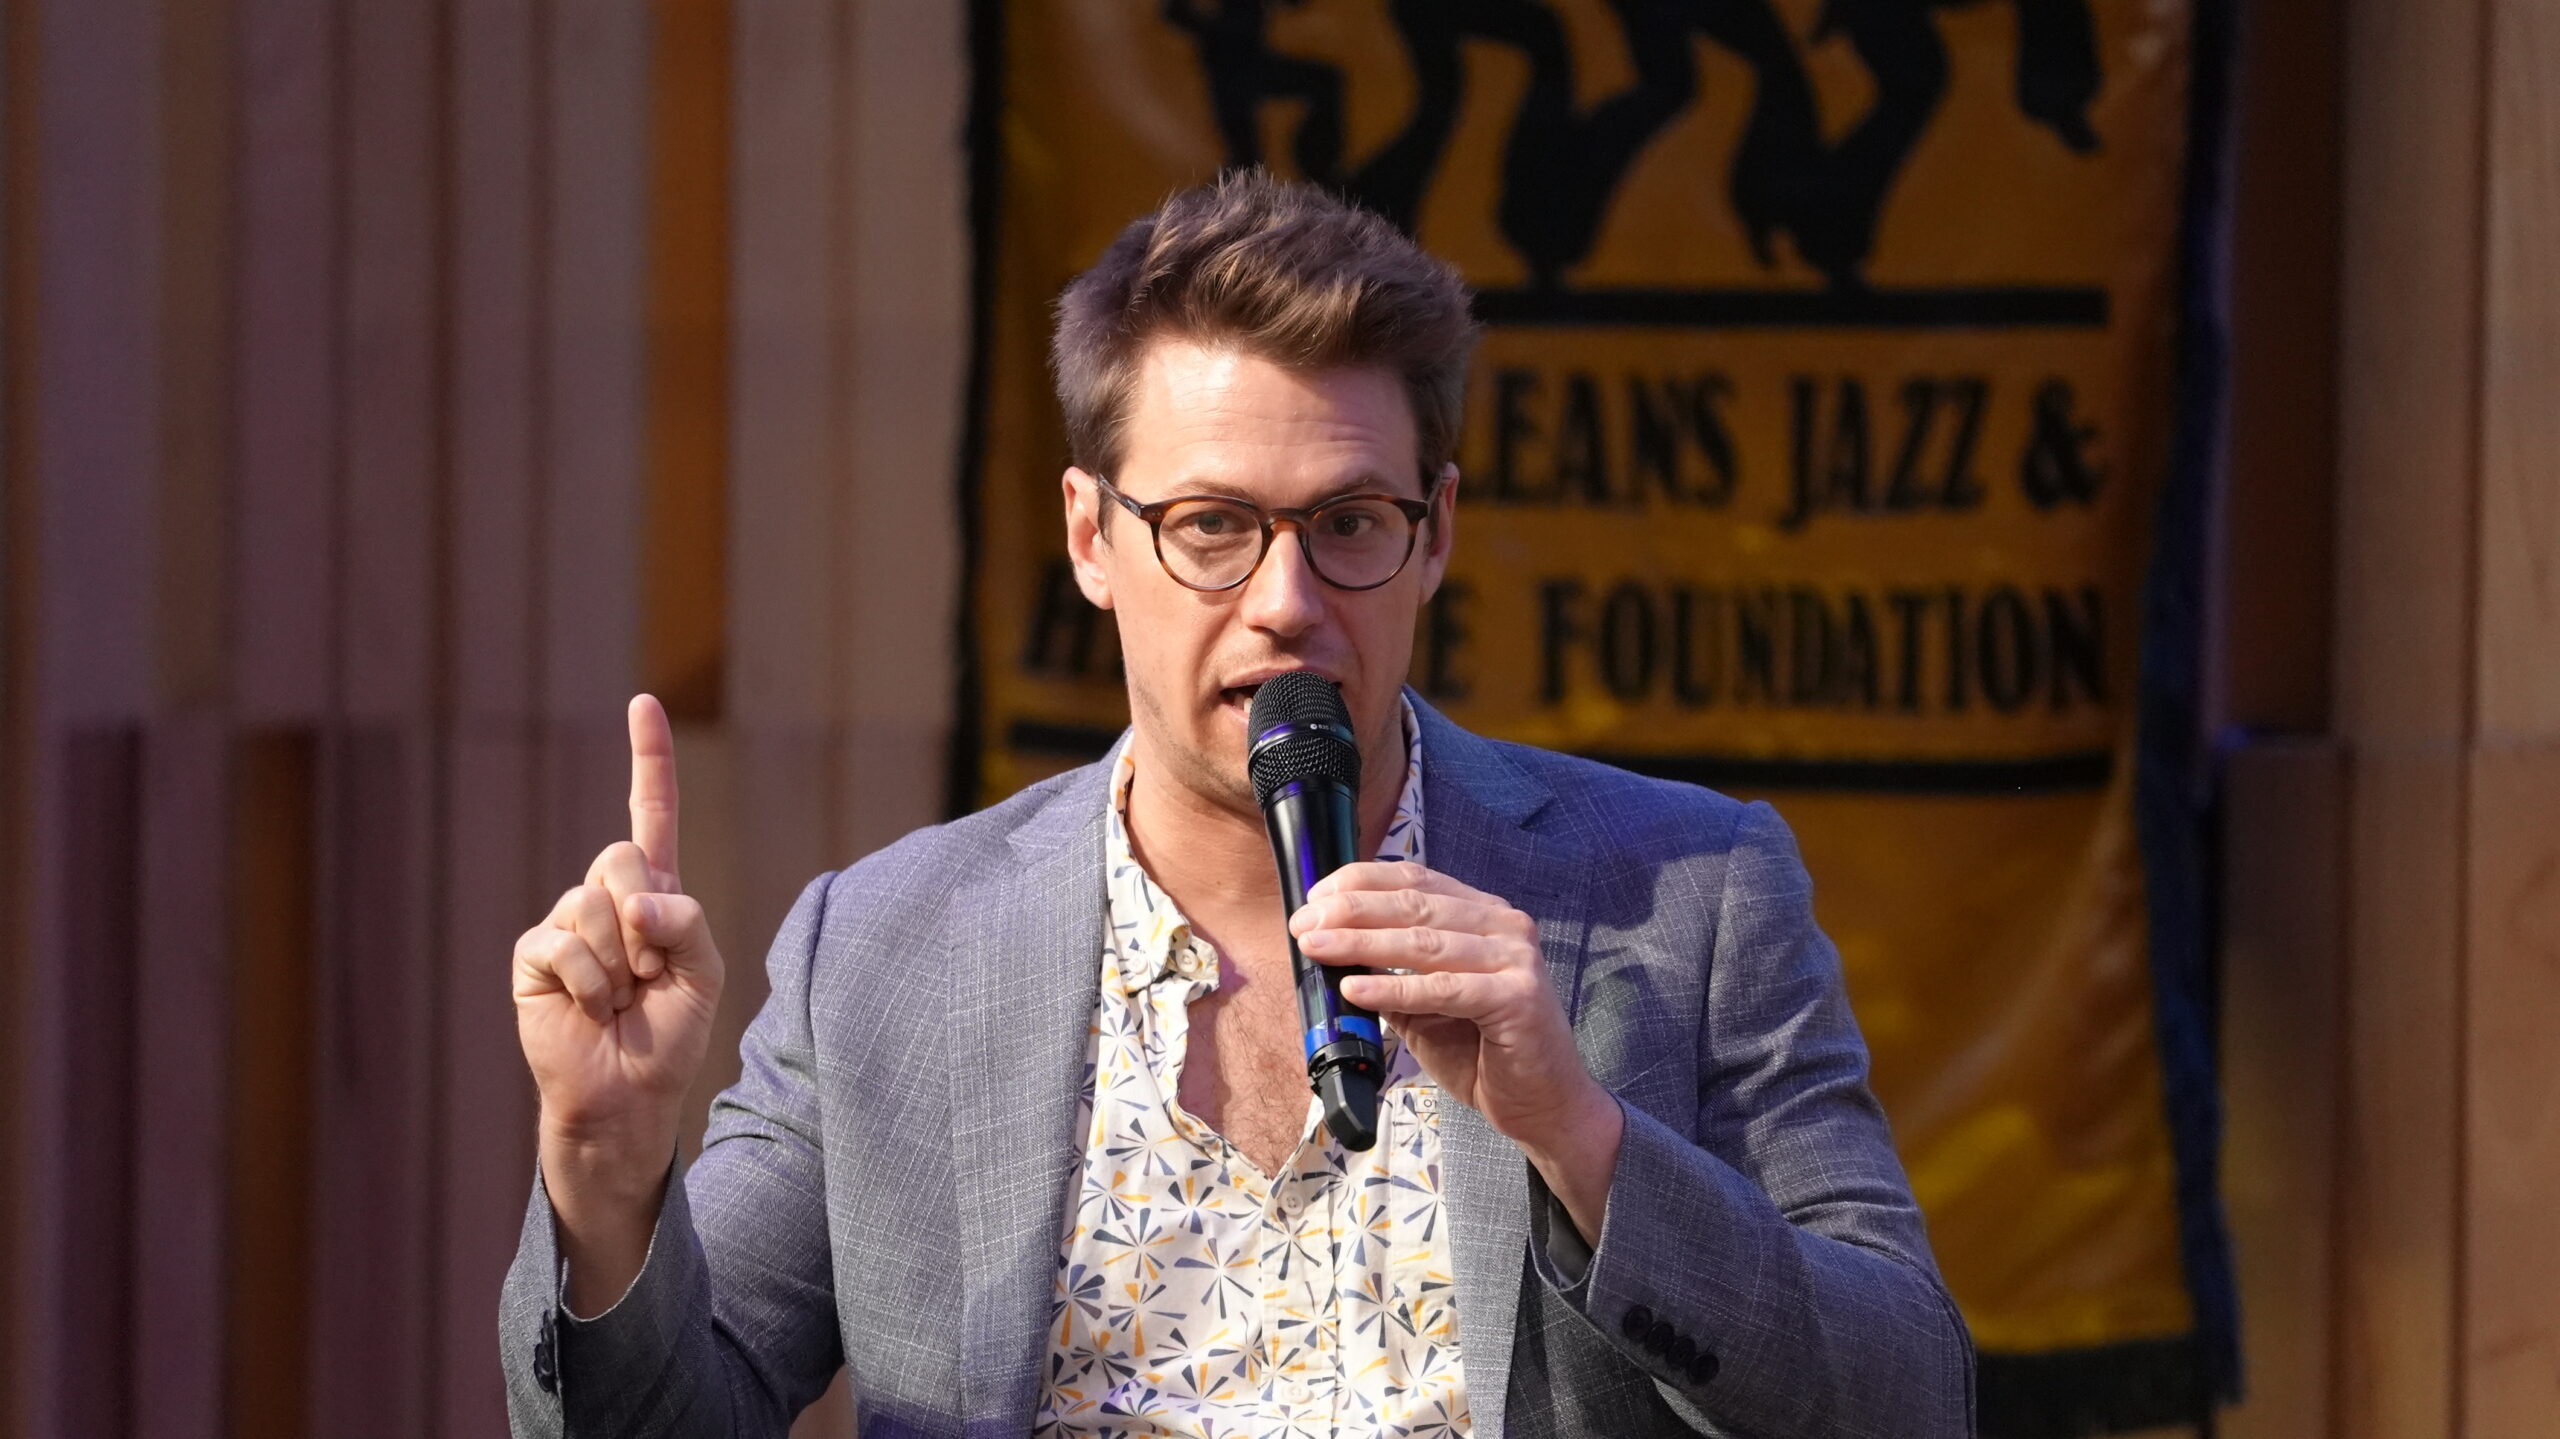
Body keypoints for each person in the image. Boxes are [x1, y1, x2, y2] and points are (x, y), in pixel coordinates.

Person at [500, 169, 1974, 1437]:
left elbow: (1915, 1396)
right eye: (1211, 525)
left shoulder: (1688, 893)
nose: (1285, 602)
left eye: (1350, 524)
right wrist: (606, 1177)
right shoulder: (887, 948)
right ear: (1091, 536)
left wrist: (1583, 1139)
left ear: (1435, 535)